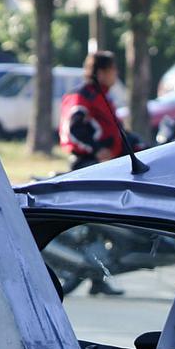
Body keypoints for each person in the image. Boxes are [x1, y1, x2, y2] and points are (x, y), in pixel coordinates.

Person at [58, 51, 128, 295]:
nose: (116, 74)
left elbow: (113, 132)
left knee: (101, 224)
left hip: (105, 167)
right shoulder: (83, 96)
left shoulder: (102, 96)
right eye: (113, 69)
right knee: (95, 221)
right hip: (88, 166)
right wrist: (96, 150)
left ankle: (97, 277)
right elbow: (72, 129)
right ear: (101, 72)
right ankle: (83, 270)